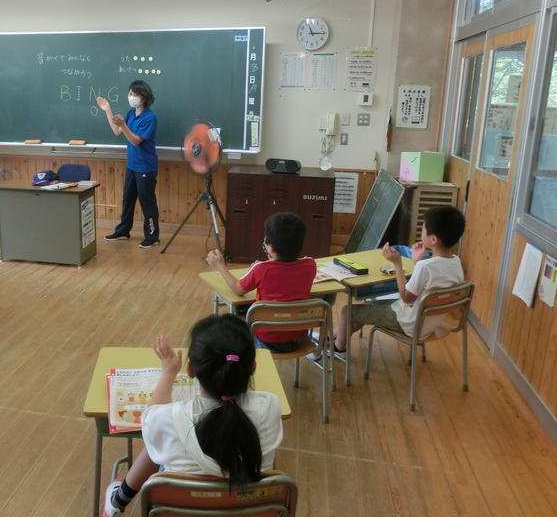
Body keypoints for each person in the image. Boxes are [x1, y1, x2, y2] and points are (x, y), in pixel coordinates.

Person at [103, 313, 282, 516]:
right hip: (247, 510)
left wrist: (169, 372)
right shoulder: (271, 406)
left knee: (160, 444)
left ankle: (118, 500)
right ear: (253, 368)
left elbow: (151, 414)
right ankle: (118, 499)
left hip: (181, 510)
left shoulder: (167, 418)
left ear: (190, 370)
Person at [333, 205, 466, 354]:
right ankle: (336, 336)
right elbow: (429, 283)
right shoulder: (456, 262)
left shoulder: (425, 267)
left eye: (423, 228)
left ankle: (338, 348)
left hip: (409, 323)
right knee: (367, 308)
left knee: (347, 311)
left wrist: (397, 263)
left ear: (433, 239)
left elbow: (406, 297)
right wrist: (415, 261)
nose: (421, 231)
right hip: (429, 323)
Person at [205, 212, 316, 352]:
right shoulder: (310, 265)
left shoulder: (261, 269)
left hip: (267, 340)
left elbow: (238, 289)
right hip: (297, 337)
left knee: (236, 312)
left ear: (270, 248)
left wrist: (219, 265)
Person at [96, 80, 159, 248]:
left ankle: (152, 236)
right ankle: (123, 231)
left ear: (144, 97)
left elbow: (136, 140)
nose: (132, 97)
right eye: (130, 93)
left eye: (136, 94)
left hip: (146, 166)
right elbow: (117, 131)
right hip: (132, 165)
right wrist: (108, 111)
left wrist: (123, 125)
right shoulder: (131, 113)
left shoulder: (149, 117)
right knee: (128, 200)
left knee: (147, 202)